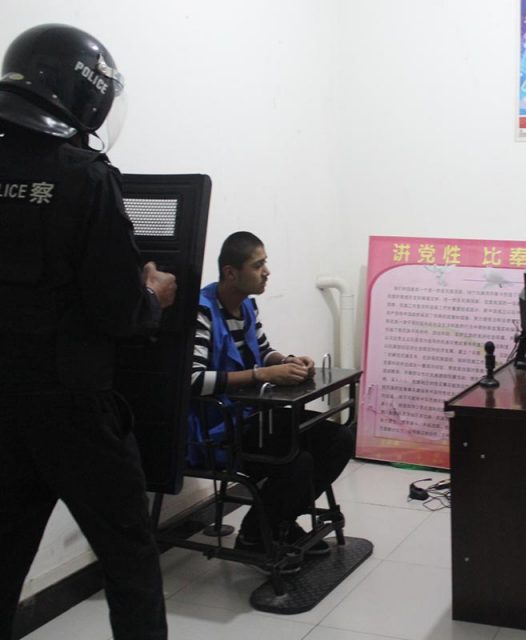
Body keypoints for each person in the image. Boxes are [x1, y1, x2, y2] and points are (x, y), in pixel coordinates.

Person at [0, 25, 176, 640]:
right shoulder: (85, 175)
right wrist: (152, 295)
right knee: (129, 555)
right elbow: (116, 311)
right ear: (86, 94)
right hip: (76, 409)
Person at [189, 231, 355, 559]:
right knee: (297, 459)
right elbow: (192, 380)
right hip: (215, 430)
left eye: (266, 263)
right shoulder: (202, 311)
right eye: (258, 265)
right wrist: (262, 375)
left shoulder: (248, 306)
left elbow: (263, 351)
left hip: (253, 417)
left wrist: (286, 362)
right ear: (230, 273)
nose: (267, 272)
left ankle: (278, 521)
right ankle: (256, 533)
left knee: (338, 439)